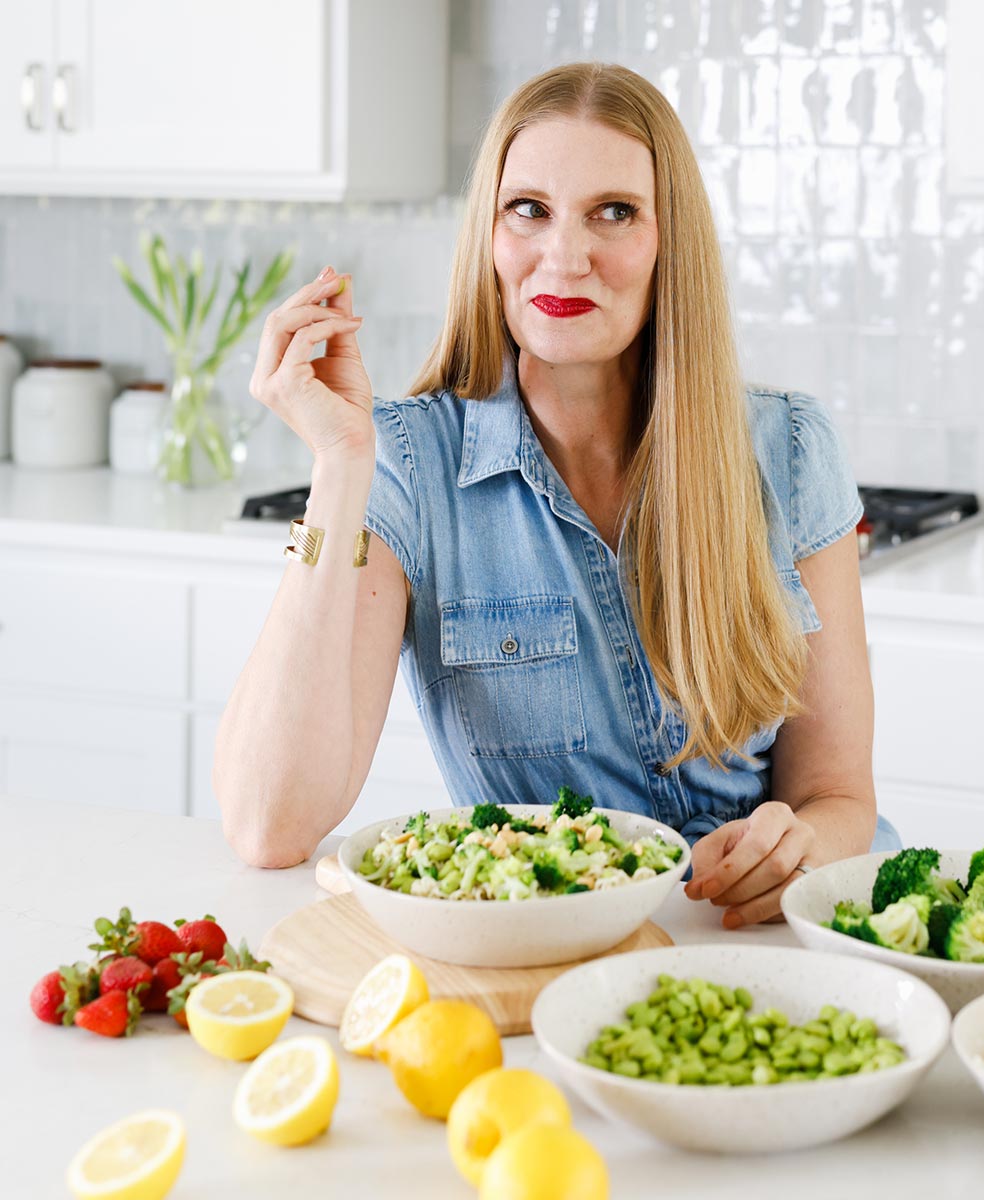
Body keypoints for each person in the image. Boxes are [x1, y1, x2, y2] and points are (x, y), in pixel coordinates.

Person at [215, 62, 899, 929]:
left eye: (613, 212)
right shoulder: (409, 463)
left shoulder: (789, 448)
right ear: (490, 237)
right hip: (544, 955)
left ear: (666, 241)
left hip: (761, 940)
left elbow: (839, 796)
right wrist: (341, 464)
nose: (564, 258)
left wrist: (797, 849)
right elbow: (268, 823)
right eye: (528, 210)